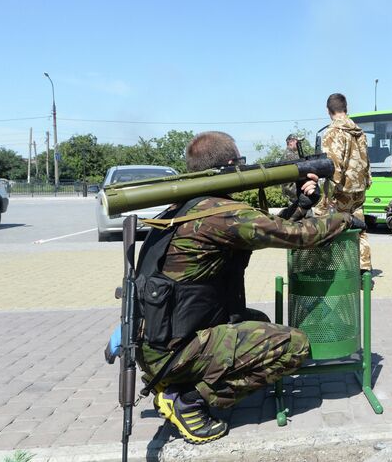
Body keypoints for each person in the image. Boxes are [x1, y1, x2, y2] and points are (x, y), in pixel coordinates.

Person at [135, 131, 363, 444]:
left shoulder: (186, 209)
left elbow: (264, 230)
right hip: (176, 351)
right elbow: (297, 237)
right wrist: (345, 219)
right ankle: (189, 399)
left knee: (259, 323)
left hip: (160, 343)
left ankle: (181, 380)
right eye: (241, 163)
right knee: (292, 346)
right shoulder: (221, 214)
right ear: (231, 165)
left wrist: (300, 204)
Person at [313, 93, 372, 275]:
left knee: (326, 222)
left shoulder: (333, 132)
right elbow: (366, 162)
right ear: (346, 109)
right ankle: (364, 271)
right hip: (359, 188)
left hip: (341, 190)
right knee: (359, 227)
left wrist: (326, 197)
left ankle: (327, 267)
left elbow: (333, 166)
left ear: (328, 110)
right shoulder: (359, 132)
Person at [281, 134, 300, 205]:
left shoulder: (290, 153)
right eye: (297, 142)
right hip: (293, 189)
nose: (298, 144)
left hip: (292, 189)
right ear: (291, 142)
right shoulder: (289, 155)